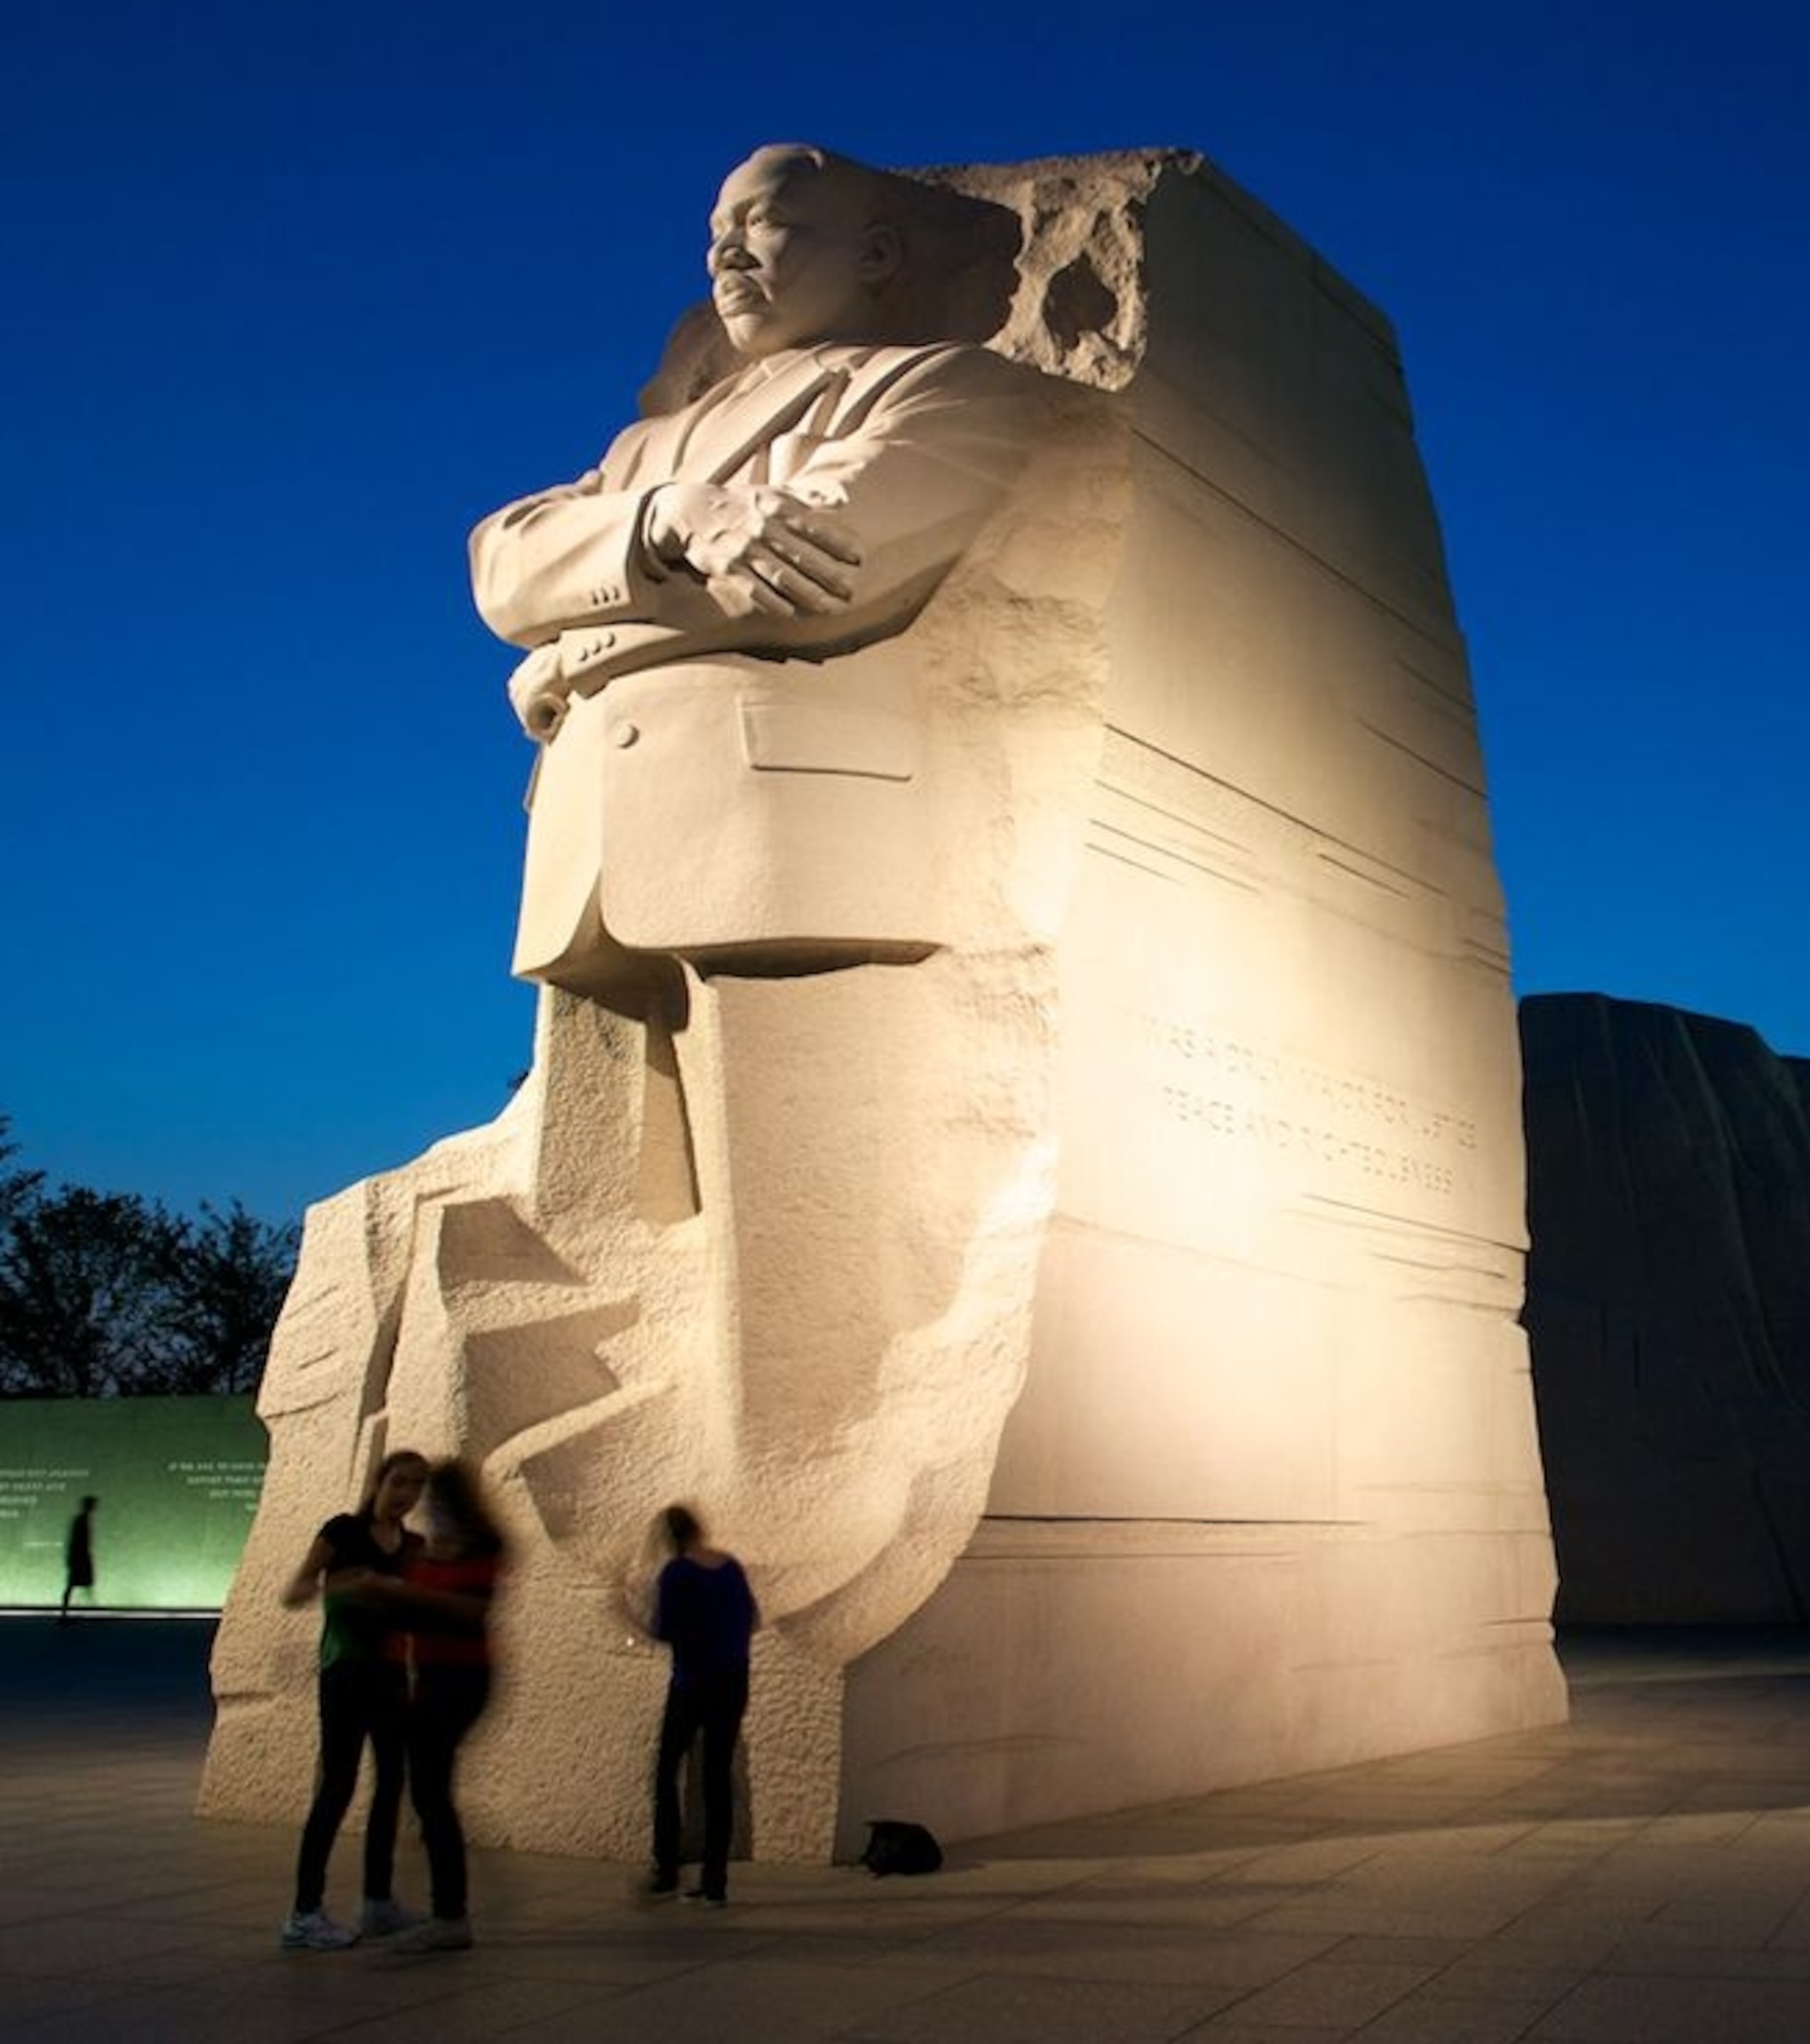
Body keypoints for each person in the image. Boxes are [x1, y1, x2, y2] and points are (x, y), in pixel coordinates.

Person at [465, 142, 1066, 1628]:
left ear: (870, 254)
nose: (726, 254)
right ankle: (609, 1525)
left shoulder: (953, 390)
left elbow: (837, 563)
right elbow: (498, 561)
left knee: (796, 1226)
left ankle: (807, 1507)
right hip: (604, 845)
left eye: (765, 224)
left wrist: (576, 648)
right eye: (713, 231)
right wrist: (673, 525)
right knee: (606, 1212)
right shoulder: (647, 448)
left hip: (782, 837)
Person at [278, 1448, 428, 1951]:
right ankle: (304, 1912)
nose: (405, 1495)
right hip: (344, 1670)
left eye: (415, 1488)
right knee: (337, 1787)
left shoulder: (413, 1546)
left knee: (390, 1784)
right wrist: (349, 1584)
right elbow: (295, 1590)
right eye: (399, 1482)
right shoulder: (341, 1531)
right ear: (379, 1482)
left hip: (391, 1674)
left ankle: (377, 1902)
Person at [389, 1461, 511, 1953]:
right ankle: (447, 1909)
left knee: (432, 1792)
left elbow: (475, 1609)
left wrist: (409, 1594)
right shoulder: (432, 1548)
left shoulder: (483, 1545)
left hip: (461, 1677)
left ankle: (450, 1913)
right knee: (429, 1792)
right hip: (433, 1675)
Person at [648, 1503, 759, 1905]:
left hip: (692, 1682)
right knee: (717, 1777)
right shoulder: (729, 1567)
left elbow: (665, 1628)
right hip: (732, 1681)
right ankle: (716, 1881)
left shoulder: (677, 1574)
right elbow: (752, 1618)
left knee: (666, 1773)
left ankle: (667, 1868)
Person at [59, 1494, 97, 1623]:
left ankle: (66, 1612)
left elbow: (76, 1540)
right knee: (78, 1584)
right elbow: (78, 1540)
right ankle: (67, 1612)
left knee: (75, 1584)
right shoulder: (82, 1520)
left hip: (79, 1556)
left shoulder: (83, 1519)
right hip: (80, 1557)